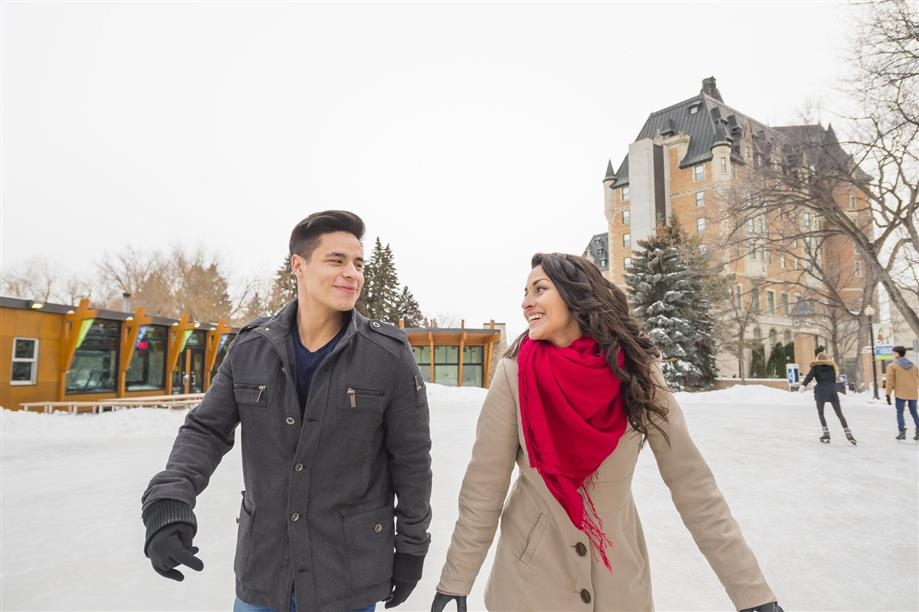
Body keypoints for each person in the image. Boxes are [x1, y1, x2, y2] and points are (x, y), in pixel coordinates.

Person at [431, 253, 782, 612]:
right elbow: (483, 489)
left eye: (540, 289)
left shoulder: (638, 374)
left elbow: (693, 486)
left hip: (620, 587)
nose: (526, 302)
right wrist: (457, 579)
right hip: (529, 587)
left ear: (574, 294)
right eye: (525, 292)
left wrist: (751, 593)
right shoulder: (514, 374)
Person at [141, 210, 433, 612]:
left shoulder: (388, 356)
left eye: (358, 263)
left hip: (348, 577)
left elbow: (412, 459)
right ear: (299, 265)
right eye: (336, 260)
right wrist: (169, 500)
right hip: (263, 573)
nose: (353, 273)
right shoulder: (249, 349)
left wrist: (413, 546)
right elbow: (205, 431)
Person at [801, 352, 856, 445]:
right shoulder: (832, 368)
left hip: (820, 391)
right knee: (839, 414)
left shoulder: (815, 368)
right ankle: (848, 433)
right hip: (832, 391)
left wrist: (803, 385)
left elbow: (809, 377)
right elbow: (833, 379)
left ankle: (826, 434)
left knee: (821, 413)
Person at [885, 345, 919, 441]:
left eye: (893, 352)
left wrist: (888, 394)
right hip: (913, 393)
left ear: (897, 353)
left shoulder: (892, 366)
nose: (892, 354)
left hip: (900, 393)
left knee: (900, 412)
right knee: (914, 412)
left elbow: (890, 381)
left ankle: (902, 432)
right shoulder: (913, 365)